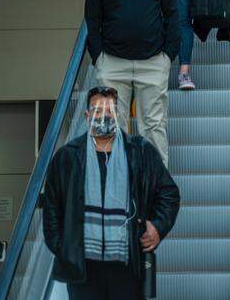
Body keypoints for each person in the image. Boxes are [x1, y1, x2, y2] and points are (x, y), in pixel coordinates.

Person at [42, 86, 180, 300]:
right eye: (98, 111)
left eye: (110, 110)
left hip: (128, 264)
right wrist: (64, 249)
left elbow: (169, 194)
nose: (105, 116)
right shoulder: (67, 157)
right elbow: (51, 207)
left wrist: (158, 226)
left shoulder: (141, 151)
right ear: (87, 116)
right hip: (83, 268)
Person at [84, 0, 179, 163]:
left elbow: (173, 15)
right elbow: (92, 21)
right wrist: (99, 58)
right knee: (112, 129)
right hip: (113, 65)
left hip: (153, 63)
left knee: (154, 128)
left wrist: (168, 56)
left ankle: (156, 194)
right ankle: (117, 190)